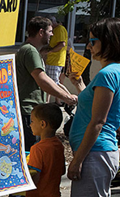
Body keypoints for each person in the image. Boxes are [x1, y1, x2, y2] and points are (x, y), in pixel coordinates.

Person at [67, 18, 120, 197]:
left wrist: (77, 160)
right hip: (102, 153)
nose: (88, 47)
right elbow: (94, 105)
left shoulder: (108, 73)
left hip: (95, 153)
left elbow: (98, 121)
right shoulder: (114, 72)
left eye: (93, 41)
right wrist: (78, 83)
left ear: (109, 42)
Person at [15, 16, 77, 151]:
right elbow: (42, 80)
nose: (52, 34)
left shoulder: (30, 50)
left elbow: (48, 80)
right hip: (28, 111)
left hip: (31, 111)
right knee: (30, 154)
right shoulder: (30, 51)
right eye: (50, 31)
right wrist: (67, 98)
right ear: (41, 32)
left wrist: (65, 93)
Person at [44, 16, 72, 105]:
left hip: (55, 61)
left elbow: (62, 44)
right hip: (50, 60)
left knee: (55, 83)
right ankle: (47, 102)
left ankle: (70, 98)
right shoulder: (55, 30)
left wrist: (50, 51)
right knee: (48, 82)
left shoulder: (60, 29)